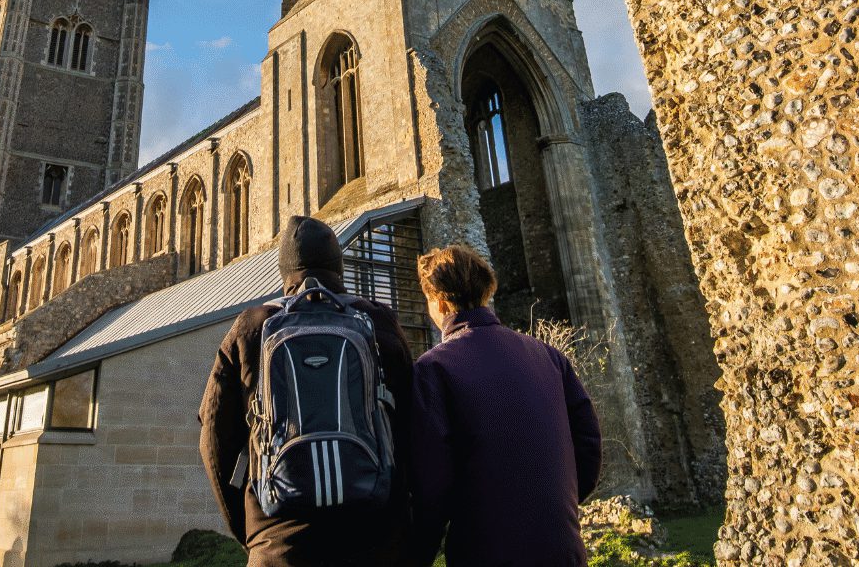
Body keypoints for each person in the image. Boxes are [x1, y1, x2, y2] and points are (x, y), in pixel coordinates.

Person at [200, 215, 416, 566]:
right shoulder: (379, 322)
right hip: (375, 540)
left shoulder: (251, 328)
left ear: (284, 271)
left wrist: (253, 533)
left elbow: (213, 441)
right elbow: (411, 425)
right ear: (338, 266)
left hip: (280, 546)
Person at [406, 244, 601, 567]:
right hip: (563, 549)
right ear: (486, 294)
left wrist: (418, 553)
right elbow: (589, 447)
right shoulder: (549, 356)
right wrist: (549, 506)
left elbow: (432, 483)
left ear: (439, 302)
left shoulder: (434, 369)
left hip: (486, 551)